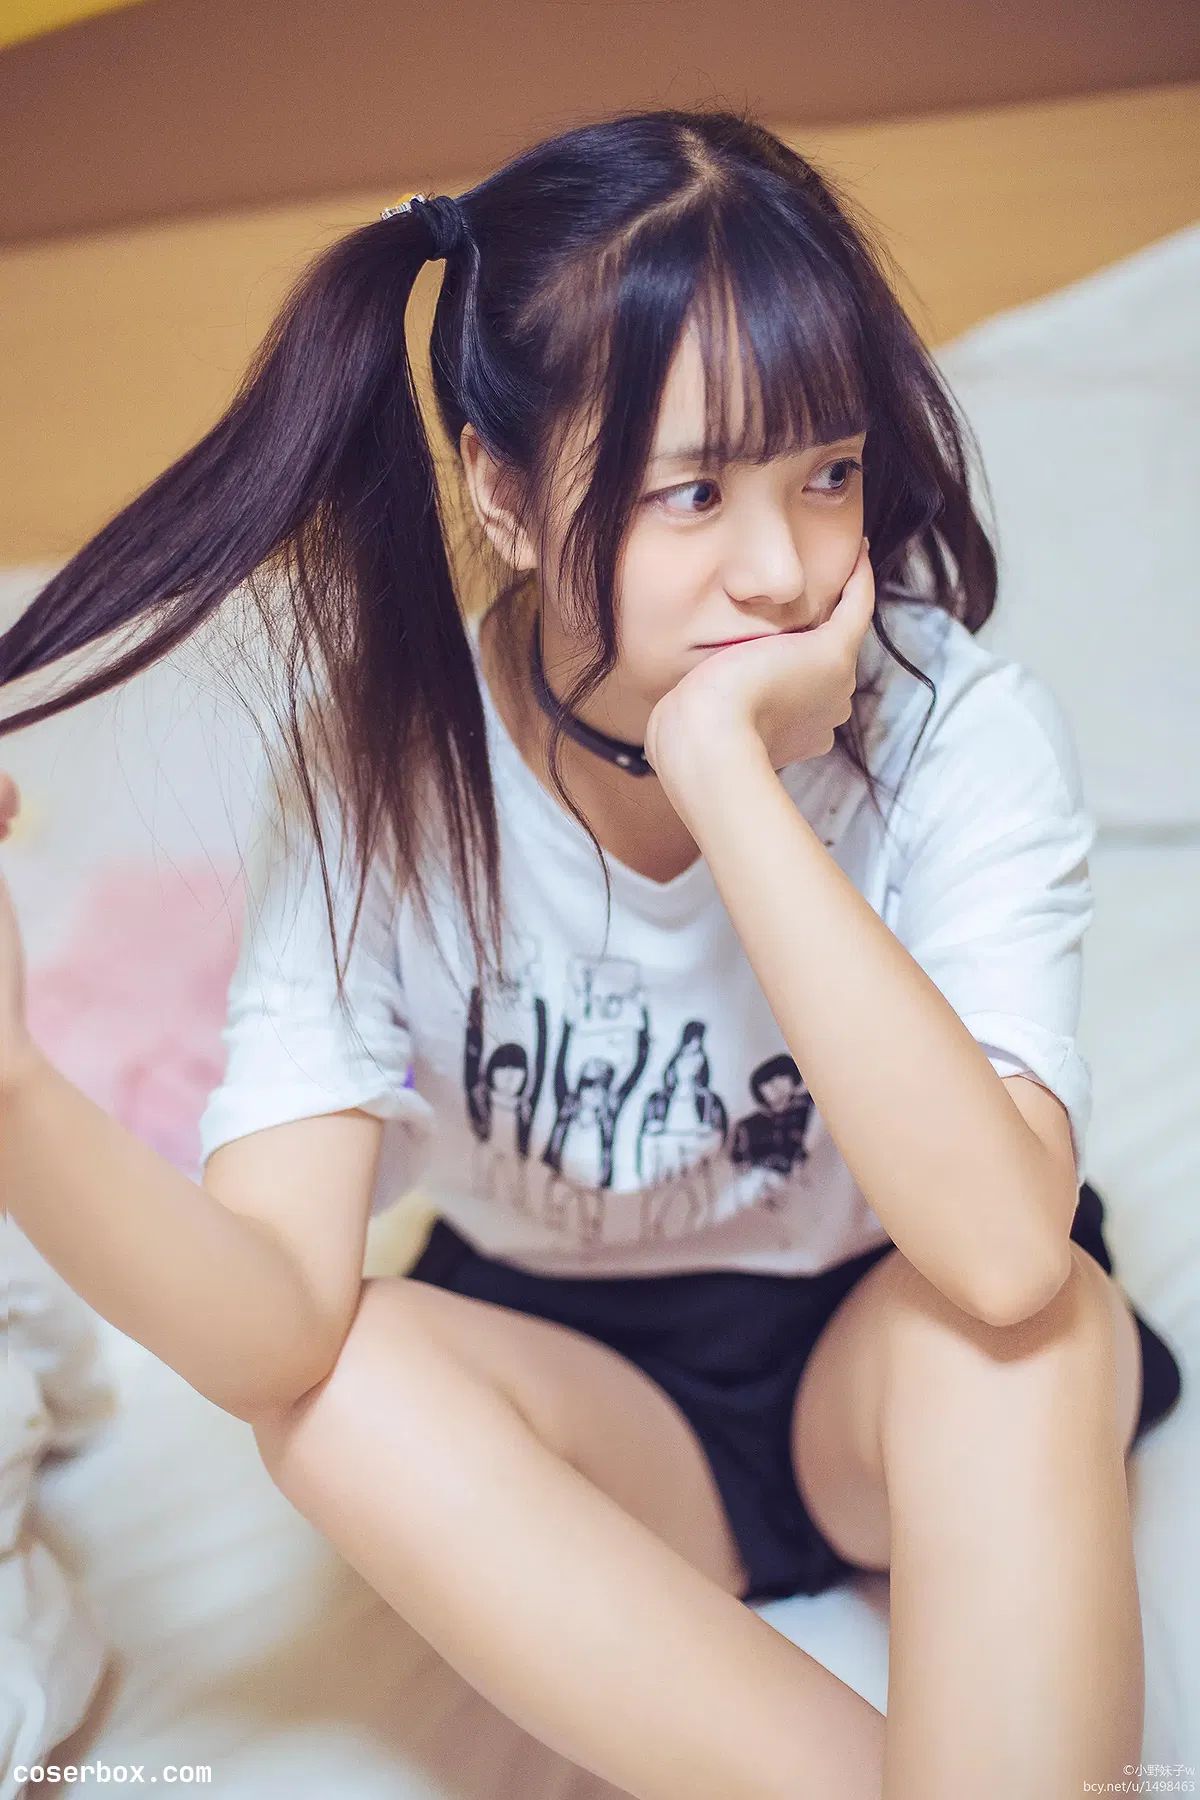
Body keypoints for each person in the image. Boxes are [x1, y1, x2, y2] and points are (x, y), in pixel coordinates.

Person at [0, 106, 1184, 1800]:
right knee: (339, 1390)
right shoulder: (379, 776)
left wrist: (727, 777)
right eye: (692, 491)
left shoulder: (954, 732)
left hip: (892, 1347)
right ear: (504, 490)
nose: (783, 570)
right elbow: (272, 1325)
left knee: (1043, 1331)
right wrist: (15, 1087)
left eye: (828, 474)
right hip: (592, 1403)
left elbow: (1000, 1254)